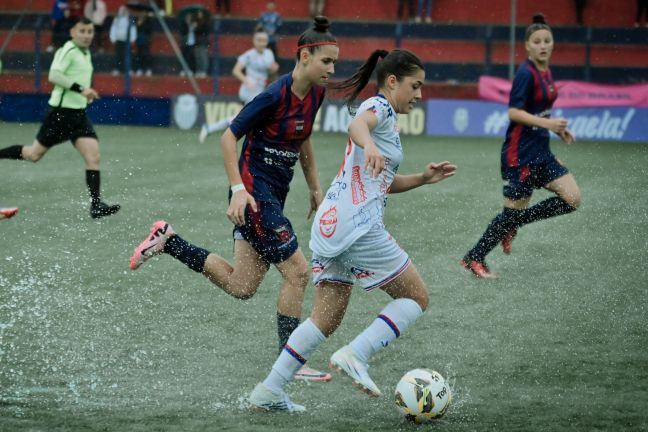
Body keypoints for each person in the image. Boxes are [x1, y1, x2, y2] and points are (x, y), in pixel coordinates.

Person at [130, 16, 340, 383]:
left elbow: (303, 137)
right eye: (327, 61)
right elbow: (228, 138)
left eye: (335, 62)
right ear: (305, 56)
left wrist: (314, 187)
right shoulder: (273, 94)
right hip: (255, 194)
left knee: (242, 286)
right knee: (298, 273)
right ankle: (290, 363)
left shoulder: (317, 95)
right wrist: (238, 190)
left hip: (273, 195)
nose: (332, 69)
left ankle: (169, 240)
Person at [248, 48, 457, 412]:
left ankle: (270, 390)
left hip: (332, 223)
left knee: (325, 318)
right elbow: (357, 125)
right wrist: (371, 142)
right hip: (359, 226)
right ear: (393, 82)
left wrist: (423, 178)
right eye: (416, 85)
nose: (420, 94)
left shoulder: (384, 115)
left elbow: (381, 181)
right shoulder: (381, 107)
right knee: (416, 298)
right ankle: (356, 355)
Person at [460, 14, 580, 279]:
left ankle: (514, 224)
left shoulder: (545, 71)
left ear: (552, 44)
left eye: (547, 40)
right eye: (537, 41)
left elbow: (541, 110)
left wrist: (558, 129)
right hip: (520, 155)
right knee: (511, 212)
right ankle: (474, 257)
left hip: (542, 151)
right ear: (527, 46)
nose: (543, 45)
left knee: (572, 199)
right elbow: (514, 112)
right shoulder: (526, 73)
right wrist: (548, 125)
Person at [0, 18, 120, 219]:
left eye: (90, 31)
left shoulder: (85, 52)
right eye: (82, 30)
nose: (87, 35)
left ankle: (96, 205)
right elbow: (54, 75)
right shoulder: (68, 50)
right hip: (61, 114)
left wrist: (85, 94)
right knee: (33, 155)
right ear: (72, 32)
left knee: (93, 157)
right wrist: (82, 89)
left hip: (79, 115)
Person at [198, 25, 278, 143]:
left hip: (260, 90)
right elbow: (236, 71)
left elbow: (271, 72)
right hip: (249, 90)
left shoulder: (269, 54)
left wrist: (274, 70)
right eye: (259, 40)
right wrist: (247, 81)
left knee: (243, 118)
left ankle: (209, 128)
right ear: (253, 41)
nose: (262, 43)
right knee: (254, 116)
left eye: (264, 40)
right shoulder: (249, 55)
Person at [109, 5, 137, 75]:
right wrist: (113, 38)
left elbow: (133, 29)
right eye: (123, 11)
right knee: (118, 55)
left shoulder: (130, 19)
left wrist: (133, 39)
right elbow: (113, 29)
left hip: (127, 41)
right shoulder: (116, 19)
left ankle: (128, 70)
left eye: (125, 11)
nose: (124, 12)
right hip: (119, 40)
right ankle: (117, 69)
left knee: (127, 56)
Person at [134, 10, 153, 76]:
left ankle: (148, 69)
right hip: (139, 40)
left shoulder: (148, 21)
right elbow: (135, 30)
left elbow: (149, 30)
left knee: (146, 55)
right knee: (139, 55)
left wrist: (142, 24)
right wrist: (138, 24)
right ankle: (139, 69)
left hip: (145, 40)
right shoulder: (136, 20)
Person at [193, 9, 211, 78]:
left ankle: (204, 71)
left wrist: (197, 27)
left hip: (203, 42)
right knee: (197, 57)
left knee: (203, 57)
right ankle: (198, 70)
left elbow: (204, 31)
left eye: (200, 13)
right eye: (198, 13)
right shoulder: (195, 22)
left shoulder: (205, 22)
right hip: (197, 42)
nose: (199, 15)